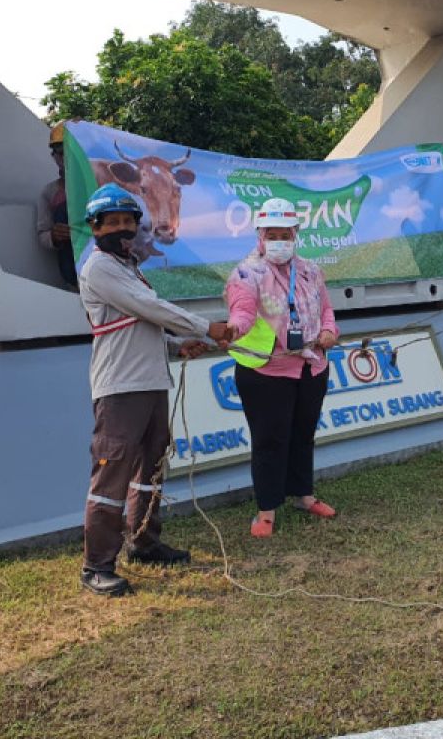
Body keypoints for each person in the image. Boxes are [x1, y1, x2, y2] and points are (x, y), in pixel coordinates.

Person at [78, 183, 231, 596]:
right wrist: (205, 327)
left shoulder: (130, 270)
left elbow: (140, 326)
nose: (123, 228)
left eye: (129, 221)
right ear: (95, 227)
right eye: (113, 222)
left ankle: (143, 540)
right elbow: (153, 310)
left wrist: (177, 345)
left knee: (151, 467)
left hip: (150, 382)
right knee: (112, 474)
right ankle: (97, 565)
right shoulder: (100, 267)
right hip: (120, 388)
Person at [224, 198, 339, 538]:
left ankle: (305, 496)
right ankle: (267, 510)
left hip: (312, 369)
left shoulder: (311, 270)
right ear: (261, 234)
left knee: (303, 435)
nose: (279, 240)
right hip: (266, 372)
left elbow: (327, 309)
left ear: (295, 234)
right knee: (270, 441)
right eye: (272, 233)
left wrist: (330, 332)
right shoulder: (246, 273)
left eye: (285, 233)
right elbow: (242, 313)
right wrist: (232, 330)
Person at [37, 121, 79, 289]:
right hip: (75, 276)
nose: (65, 158)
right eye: (61, 154)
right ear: (54, 156)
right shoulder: (49, 192)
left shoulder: (101, 183)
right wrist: (54, 236)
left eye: (71, 153)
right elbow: (42, 234)